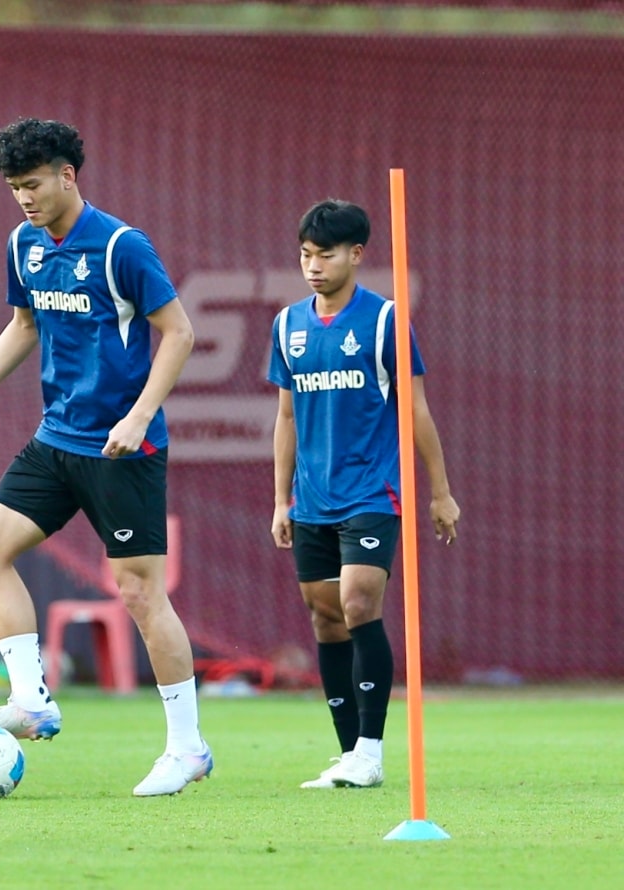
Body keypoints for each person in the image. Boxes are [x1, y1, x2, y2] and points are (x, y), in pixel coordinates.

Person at [0, 118, 211, 797]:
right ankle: (32, 701)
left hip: (124, 449)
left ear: (67, 175)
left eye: (32, 184)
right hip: (57, 440)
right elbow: (25, 323)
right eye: (13, 188)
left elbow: (178, 332)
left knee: (140, 594)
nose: (24, 198)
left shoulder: (120, 246)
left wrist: (138, 414)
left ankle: (189, 748)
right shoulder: (23, 244)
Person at [267, 199, 460, 789]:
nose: (313, 266)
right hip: (311, 499)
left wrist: (440, 492)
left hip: (373, 493)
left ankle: (371, 750)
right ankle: (350, 752)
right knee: (326, 618)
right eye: (306, 255)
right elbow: (286, 418)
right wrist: (280, 500)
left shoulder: (384, 322)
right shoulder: (287, 325)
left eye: (325, 255)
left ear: (356, 254)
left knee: (357, 605)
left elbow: (416, 409)